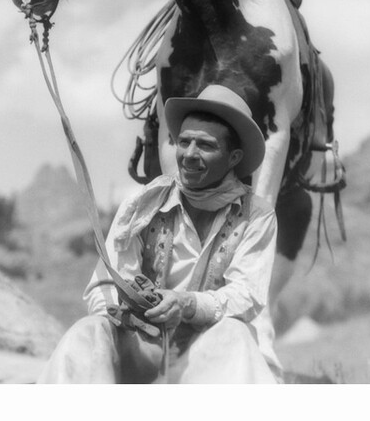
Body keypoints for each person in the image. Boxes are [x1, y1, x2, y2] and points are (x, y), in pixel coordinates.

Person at [37, 84, 281, 384]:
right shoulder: (142, 206)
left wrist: (187, 304)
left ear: (233, 158)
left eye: (205, 145)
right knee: (87, 332)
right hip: (142, 350)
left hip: (210, 350)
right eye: (184, 142)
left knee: (235, 333)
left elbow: (246, 295)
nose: (189, 155)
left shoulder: (257, 215)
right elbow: (103, 285)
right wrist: (127, 307)